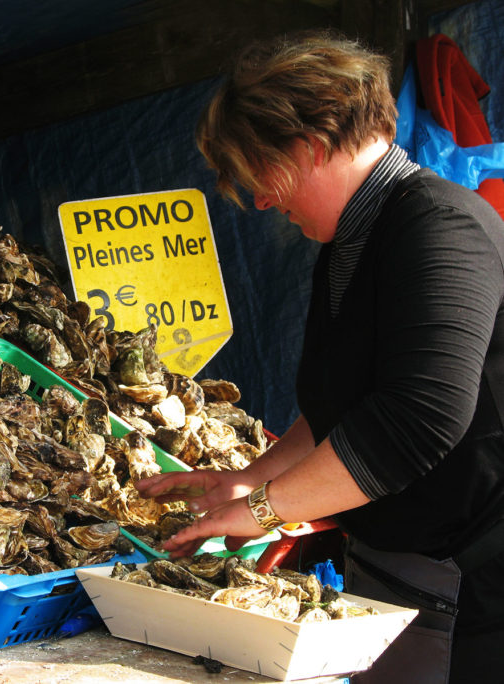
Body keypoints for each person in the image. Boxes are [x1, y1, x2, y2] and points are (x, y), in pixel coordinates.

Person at [135, 32, 504, 684]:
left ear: (308, 146)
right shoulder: (350, 244)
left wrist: (263, 510)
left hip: (478, 591)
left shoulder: (442, 226)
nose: (258, 201)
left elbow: (419, 415)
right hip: (402, 573)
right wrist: (247, 479)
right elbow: (347, 407)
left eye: (258, 175)